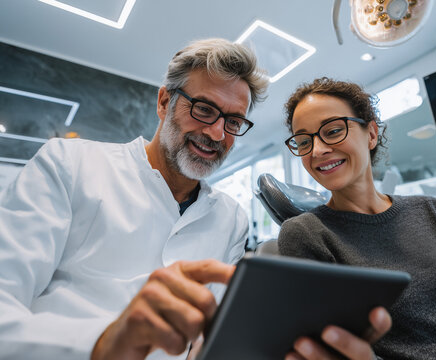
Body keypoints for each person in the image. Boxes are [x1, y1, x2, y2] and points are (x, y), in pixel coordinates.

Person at [0, 38, 268, 360]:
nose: (216, 134)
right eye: (204, 109)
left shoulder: (231, 218)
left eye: (233, 122)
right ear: (164, 102)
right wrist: (101, 343)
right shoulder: (69, 164)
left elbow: (210, 335)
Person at [278, 77, 436, 360]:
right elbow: (339, 349)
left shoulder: (431, 210)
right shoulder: (307, 234)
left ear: (371, 134)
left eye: (332, 131)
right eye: (304, 141)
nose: (317, 150)